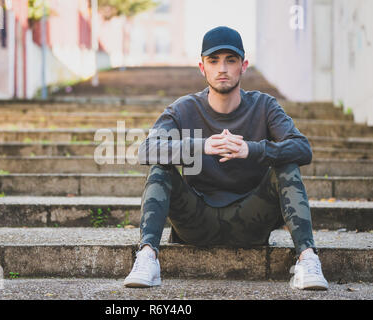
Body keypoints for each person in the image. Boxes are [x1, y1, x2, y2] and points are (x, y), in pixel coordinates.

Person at [123, 26, 328, 290]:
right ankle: (147, 256)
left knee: (286, 164)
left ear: (243, 66)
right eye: (213, 60)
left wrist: (252, 150)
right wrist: (201, 146)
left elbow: (302, 148)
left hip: (251, 220)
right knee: (160, 168)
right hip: (197, 221)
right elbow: (146, 150)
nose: (222, 68)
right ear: (202, 67)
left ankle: (308, 259)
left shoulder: (264, 106)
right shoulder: (183, 109)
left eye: (230, 60)